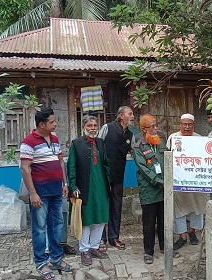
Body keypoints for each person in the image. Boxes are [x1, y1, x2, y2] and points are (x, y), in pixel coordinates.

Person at [20, 108, 73, 280]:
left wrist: (65, 184)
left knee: (56, 225)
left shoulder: (55, 139)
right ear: (41, 124)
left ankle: (56, 259)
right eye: (52, 121)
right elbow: (25, 168)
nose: (55, 123)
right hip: (40, 194)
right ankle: (41, 263)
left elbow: (60, 161)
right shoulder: (28, 142)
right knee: (39, 229)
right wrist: (33, 193)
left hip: (57, 191)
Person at [68, 116, 110, 266]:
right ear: (83, 127)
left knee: (100, 217)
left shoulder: (100, 142)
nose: (93, 128)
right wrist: (73, 186)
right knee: (86, 218)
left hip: (101, 186)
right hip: (84, 187)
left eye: (95, 125)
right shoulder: (76, 144)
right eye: (90, 125)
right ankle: (84, 250)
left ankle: (94, 247)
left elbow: (106, 165)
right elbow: (71, 166)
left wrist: (109, 183)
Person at [166, 114, 210, 250]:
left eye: (189, 124)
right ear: (180, 125)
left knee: (198, 206)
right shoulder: (173, 138)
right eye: (184, 124)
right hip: (179, 180)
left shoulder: (199, 139)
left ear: (193, 125)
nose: (187, 127)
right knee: (179, 208)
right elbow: (168, 157)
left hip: (195, 180)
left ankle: (192, 232)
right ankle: (182, 235)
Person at [97, 106, 135, 250]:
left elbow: (135, 153)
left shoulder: (130, 135)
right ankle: (100, 238)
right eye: (129, 114)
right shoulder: (107, 128)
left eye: (132, 114)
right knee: (103, 206)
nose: (132, 116)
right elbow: (98, 147)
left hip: (118, 175)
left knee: (116, 206)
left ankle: (114, 237)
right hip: (103, 175)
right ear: (120, 116)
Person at [133, 114, 166, 264]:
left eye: (155, 125)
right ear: (144, 129)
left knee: (163, 220)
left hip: (164, 188)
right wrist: (159, 181)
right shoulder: (138, 146)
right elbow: (144, 169)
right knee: (149, 222)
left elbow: (169, 159)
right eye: (152, 126)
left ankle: (165, 247)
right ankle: (148, 252)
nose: (155, 128)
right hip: (149, 189)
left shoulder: (161, 141)